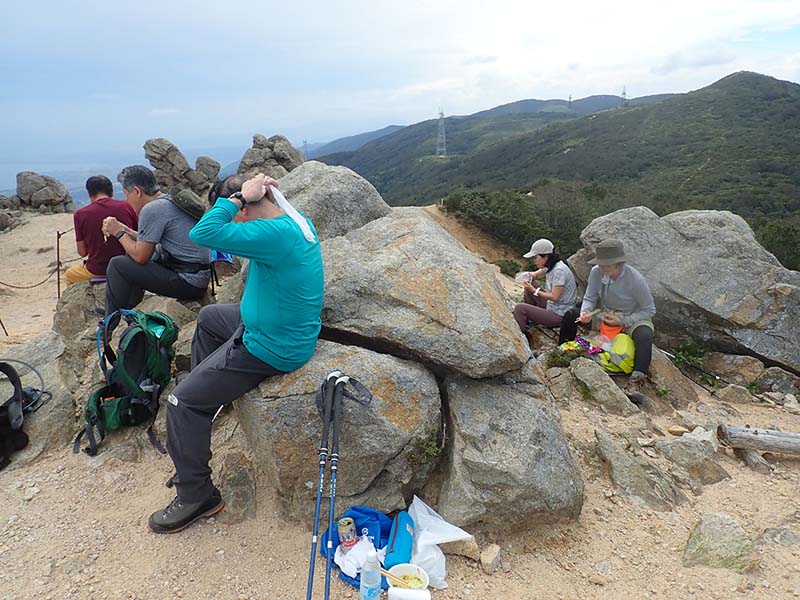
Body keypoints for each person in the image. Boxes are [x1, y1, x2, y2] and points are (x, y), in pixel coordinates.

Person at [148, 173, 324, 534]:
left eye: (234, 211)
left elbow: (203, 234)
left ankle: (198, 495)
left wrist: (236, 199)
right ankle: (208, 408)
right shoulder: (291, 220)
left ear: (246, 208)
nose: (232, 218)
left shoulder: (272, 233)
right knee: (211, 317)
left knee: (181, 401)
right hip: (277, 326)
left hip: (272, 346)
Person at [100, 165, 210, 314]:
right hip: (198, 275)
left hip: (189, 282)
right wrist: (124, 229)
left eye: (127, 194)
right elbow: (146, 241)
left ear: (137, 191)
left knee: (117, 264)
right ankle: (127, 308)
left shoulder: (152, 209)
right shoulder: (167, 200)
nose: (126, 200)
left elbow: (141, 257)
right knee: (129, 256)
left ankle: (109, 322)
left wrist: (118, 232)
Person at [577, 238, 656, 398]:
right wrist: (585, 312)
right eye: (601, 264)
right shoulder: (596, 272)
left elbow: (649, 310)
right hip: (607, 314)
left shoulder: (635, 280)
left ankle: (635, 383)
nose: (602, 267)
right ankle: (563, 352)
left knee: (645, 335)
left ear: (619, 264)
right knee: (571, 315)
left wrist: (624, 321)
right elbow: (590, 297)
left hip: (632, 317)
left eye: (607, 264)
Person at [65, 176, 138, 285]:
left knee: (70, 274)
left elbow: (82, 252)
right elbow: (138, 236)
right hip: (127, 266)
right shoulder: (126, 206)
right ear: (111, 192)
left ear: (89, 194)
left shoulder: (80, 214)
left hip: (97, 271)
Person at [513, 238, 578, 334]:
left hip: (560, 314)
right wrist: (526, 276)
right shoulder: (551, 266)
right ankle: (532, 319)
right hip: (552, 306)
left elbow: (554, 297)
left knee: (520, 308)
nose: (534, 260)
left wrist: (534, 291)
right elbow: (535, 275)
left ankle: (521, 337)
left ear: (546, 256)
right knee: (531, 282)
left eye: (536, 257)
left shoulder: (559, 270)